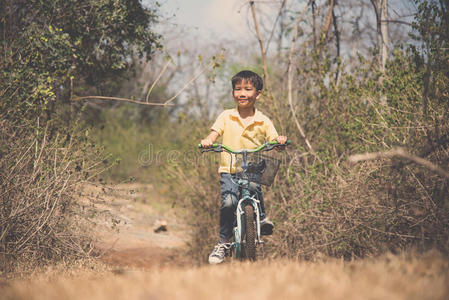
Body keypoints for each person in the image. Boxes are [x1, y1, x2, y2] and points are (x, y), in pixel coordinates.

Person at [200, 70, 287, 264]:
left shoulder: (263, 120)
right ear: (233, 93)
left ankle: (262, 219)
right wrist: (208, 140)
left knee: (255, 187)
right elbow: (214, 133)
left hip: (251, 167)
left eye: (248, 89)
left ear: (258, 94)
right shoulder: (226, 116)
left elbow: (274, 140)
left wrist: (279, 141)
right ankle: (223, 242)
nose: (242, 93)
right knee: (229, 202)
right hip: (229, 169)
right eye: (238, 89)